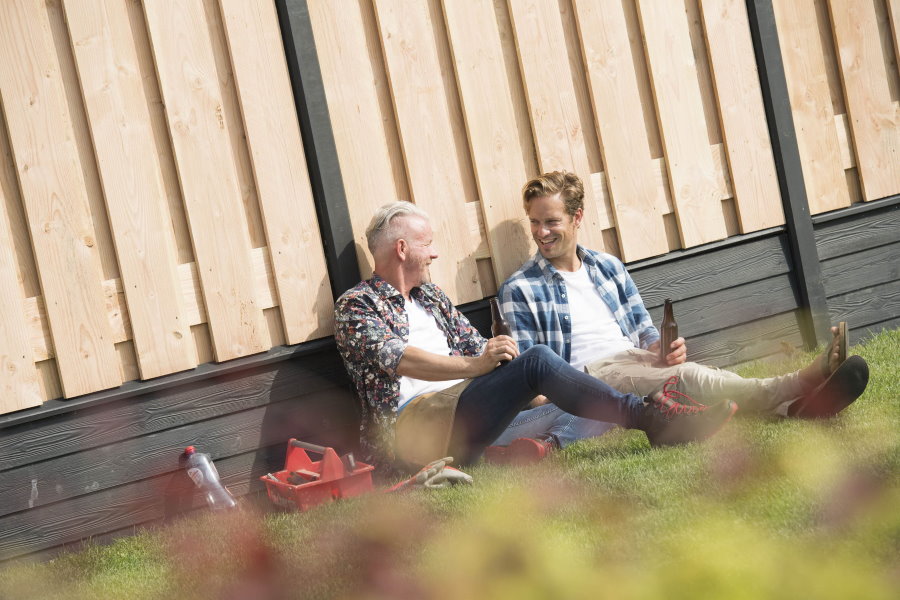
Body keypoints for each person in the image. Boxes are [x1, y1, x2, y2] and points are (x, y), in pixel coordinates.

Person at [333, 201, 737, 471]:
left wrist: (535, 386)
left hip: (472, 413)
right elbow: (401, 358)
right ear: (402, 248)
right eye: (427, 245)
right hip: (418, 424)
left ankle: (536, 450)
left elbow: (483, 352)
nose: (434, 254)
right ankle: (656, 420)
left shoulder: (431, 297)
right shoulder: (357, 305)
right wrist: (481, 366)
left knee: (592, 395)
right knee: (541, 358)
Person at [498, 171, 869, 430]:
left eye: (551, 221)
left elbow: (644, 331)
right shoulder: (521, 289)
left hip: (635, 362)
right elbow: (533, 378)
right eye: (534, 222)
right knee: (687, 377)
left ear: (577, 217)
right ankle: (799, 382)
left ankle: (796, 409)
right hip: (586, 377)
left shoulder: (607, 267)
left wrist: (663, 348)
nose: (541, 233)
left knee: (701, 380)